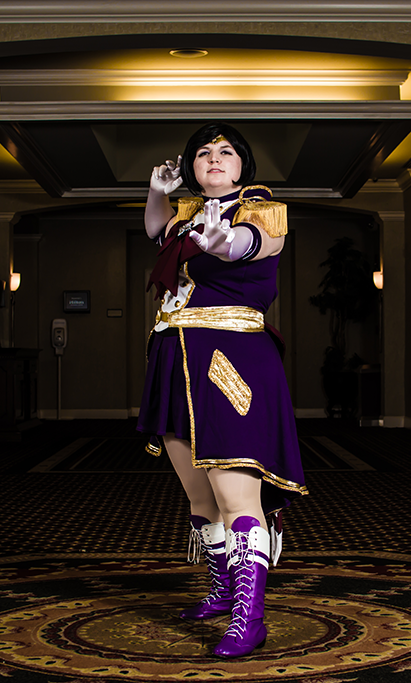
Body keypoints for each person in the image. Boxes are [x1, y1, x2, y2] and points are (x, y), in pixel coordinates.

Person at [136, 122, 307, 658]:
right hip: (175, 356)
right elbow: (155, 230)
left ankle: (249, 618)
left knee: (236, 495)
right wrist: (157, 191)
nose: (214, 158)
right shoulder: (185, 214)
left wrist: (221, 241)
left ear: (242, 165)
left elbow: (245, 245)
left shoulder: (262, 211)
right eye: (203, 152)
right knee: (199, 494)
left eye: (226, 151)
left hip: (230, 359)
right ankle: (222, 592)